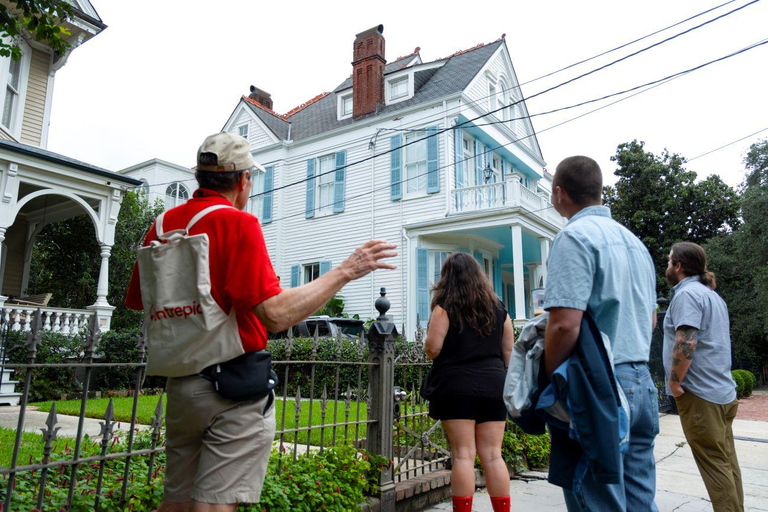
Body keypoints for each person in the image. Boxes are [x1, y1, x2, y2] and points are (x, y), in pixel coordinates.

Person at [125, 131, 397, 512]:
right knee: (214, 506)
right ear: (244, 180)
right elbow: (276, 315)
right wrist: (346, 271)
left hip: (181, 387)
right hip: (232, 391)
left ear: (200, 176)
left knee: (176, 504)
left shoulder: (161, 226)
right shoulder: (239, 224)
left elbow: (140, 302)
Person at [543, 155, 659, 511]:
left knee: (597, 500)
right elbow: (651, 320)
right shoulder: (635, 243)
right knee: (640, 501)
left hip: (599, 385)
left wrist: (551, 380)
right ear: (598, 191)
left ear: (560, 193)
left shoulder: (573, 237)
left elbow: (564, 324)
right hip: (642, 381)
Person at [422, 252, 515, 512]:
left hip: (456, 387)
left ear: (448, 278)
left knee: (463, 455)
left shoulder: (445, 307)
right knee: (493, 455)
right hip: (494, 386)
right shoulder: (499, 309)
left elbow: (433, 348)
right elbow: (509, 352)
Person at [664, 242, 743, 512]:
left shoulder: (687, 295)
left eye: (669, 261)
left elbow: (687, 340)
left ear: (679, 266)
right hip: (722, 392)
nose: (667, 266)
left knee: (715, 467)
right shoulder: (712, 296)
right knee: (726, 463)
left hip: (701, 395)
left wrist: (674, 383)